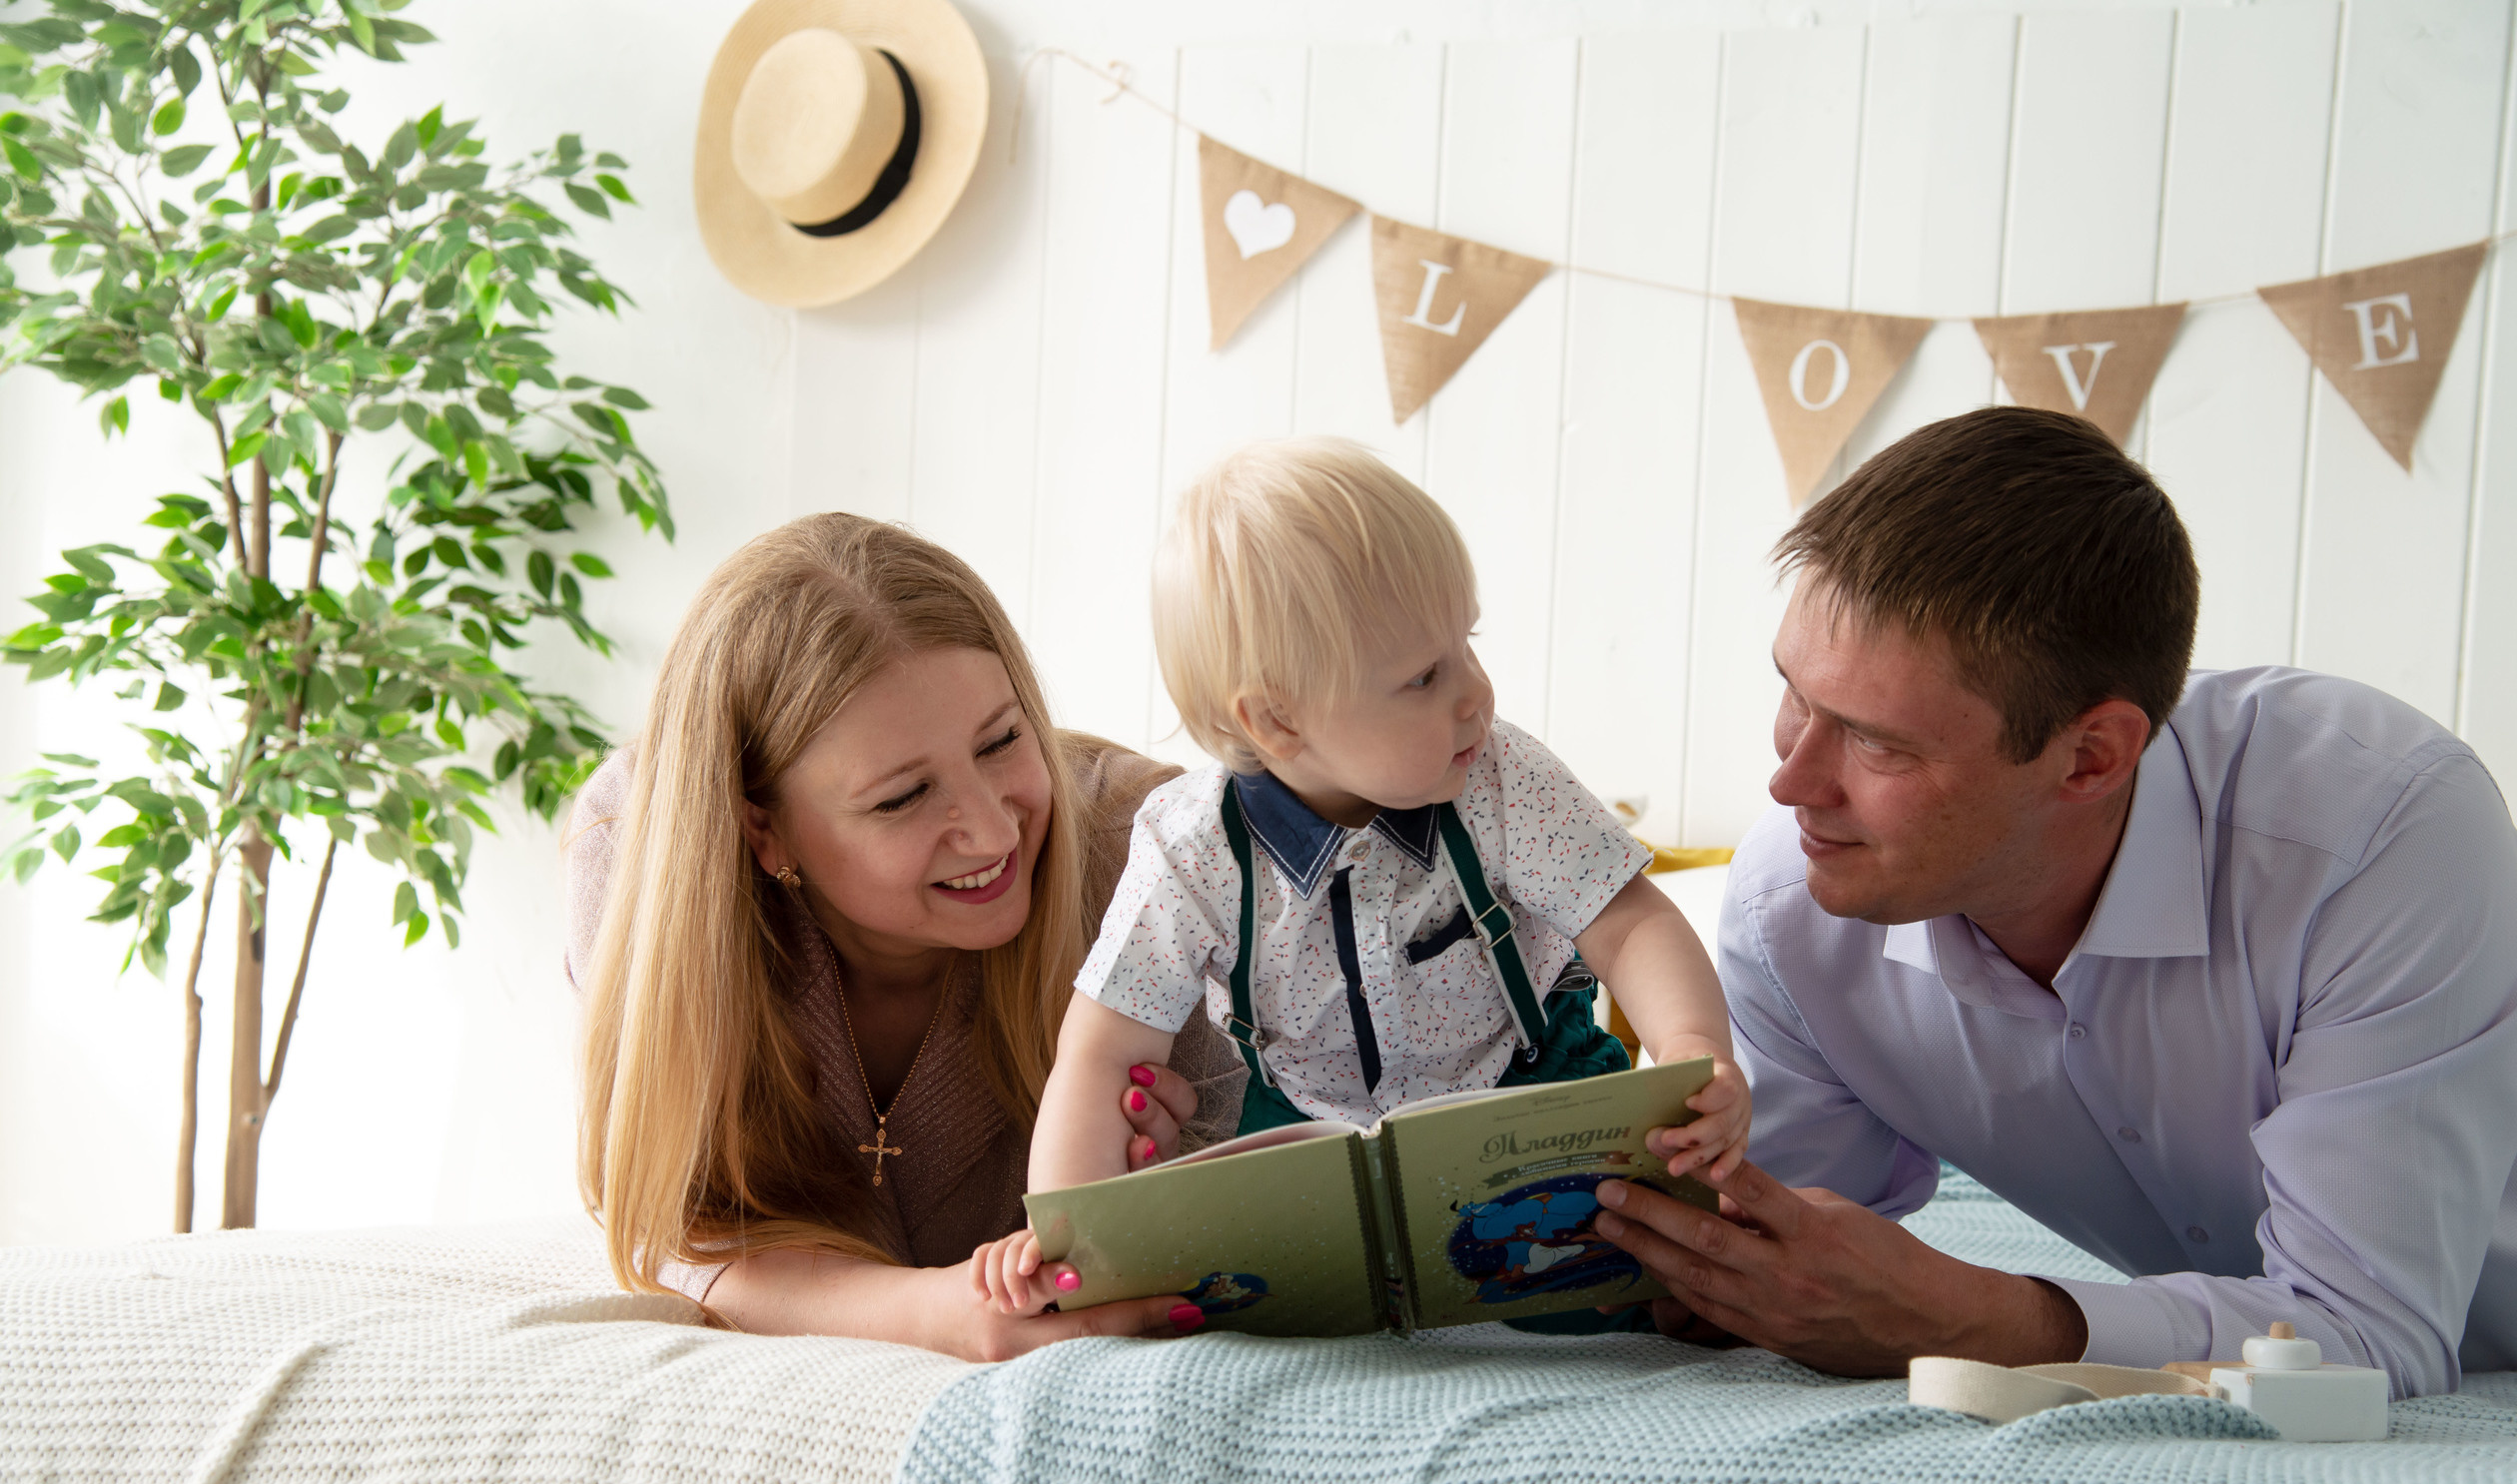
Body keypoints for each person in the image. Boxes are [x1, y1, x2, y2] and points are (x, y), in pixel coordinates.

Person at [1590, 406, 2517, 1397]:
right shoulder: (1787, 909)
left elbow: (2368, 1331)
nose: (1790, 781)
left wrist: (1967, 1314)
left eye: (1874, 740)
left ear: (2091, 757)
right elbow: (1781, 1244)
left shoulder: (2382, 838)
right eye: (1795, 693)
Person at [976, 438, 1749, 1312]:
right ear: (1276, 723)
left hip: (1531, 1095)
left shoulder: (1503, 779)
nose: (1478, 693)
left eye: (1467, 643)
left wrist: (1693, 1051)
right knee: (1246, 1308)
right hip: (1307, 1135)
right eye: (1424, 676)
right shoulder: (1189, 849)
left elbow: (1632, 923)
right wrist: (1070, 1236)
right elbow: (1103, 1051)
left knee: (1645, 1275)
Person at [567, 513, 1245, 1360]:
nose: (993, 831)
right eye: (903, 797)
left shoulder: (1163, 856)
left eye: (1001, 740)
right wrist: (940, 1313)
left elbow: (1261, 1208)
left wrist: (1170, 1201)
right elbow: (672, 1222)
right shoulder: (638, 851)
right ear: (760, 829)